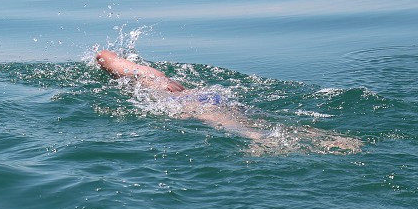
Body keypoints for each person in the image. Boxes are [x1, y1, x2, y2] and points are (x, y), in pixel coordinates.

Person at [95, 50, 362, 154]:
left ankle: (261, 140)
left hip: (191, 104)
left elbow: (103, 56)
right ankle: (324, 136)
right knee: (255, 117)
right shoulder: (161, 78)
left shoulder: (146, 84)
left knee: (225, 122)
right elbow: (109, 56)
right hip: (209, 94)